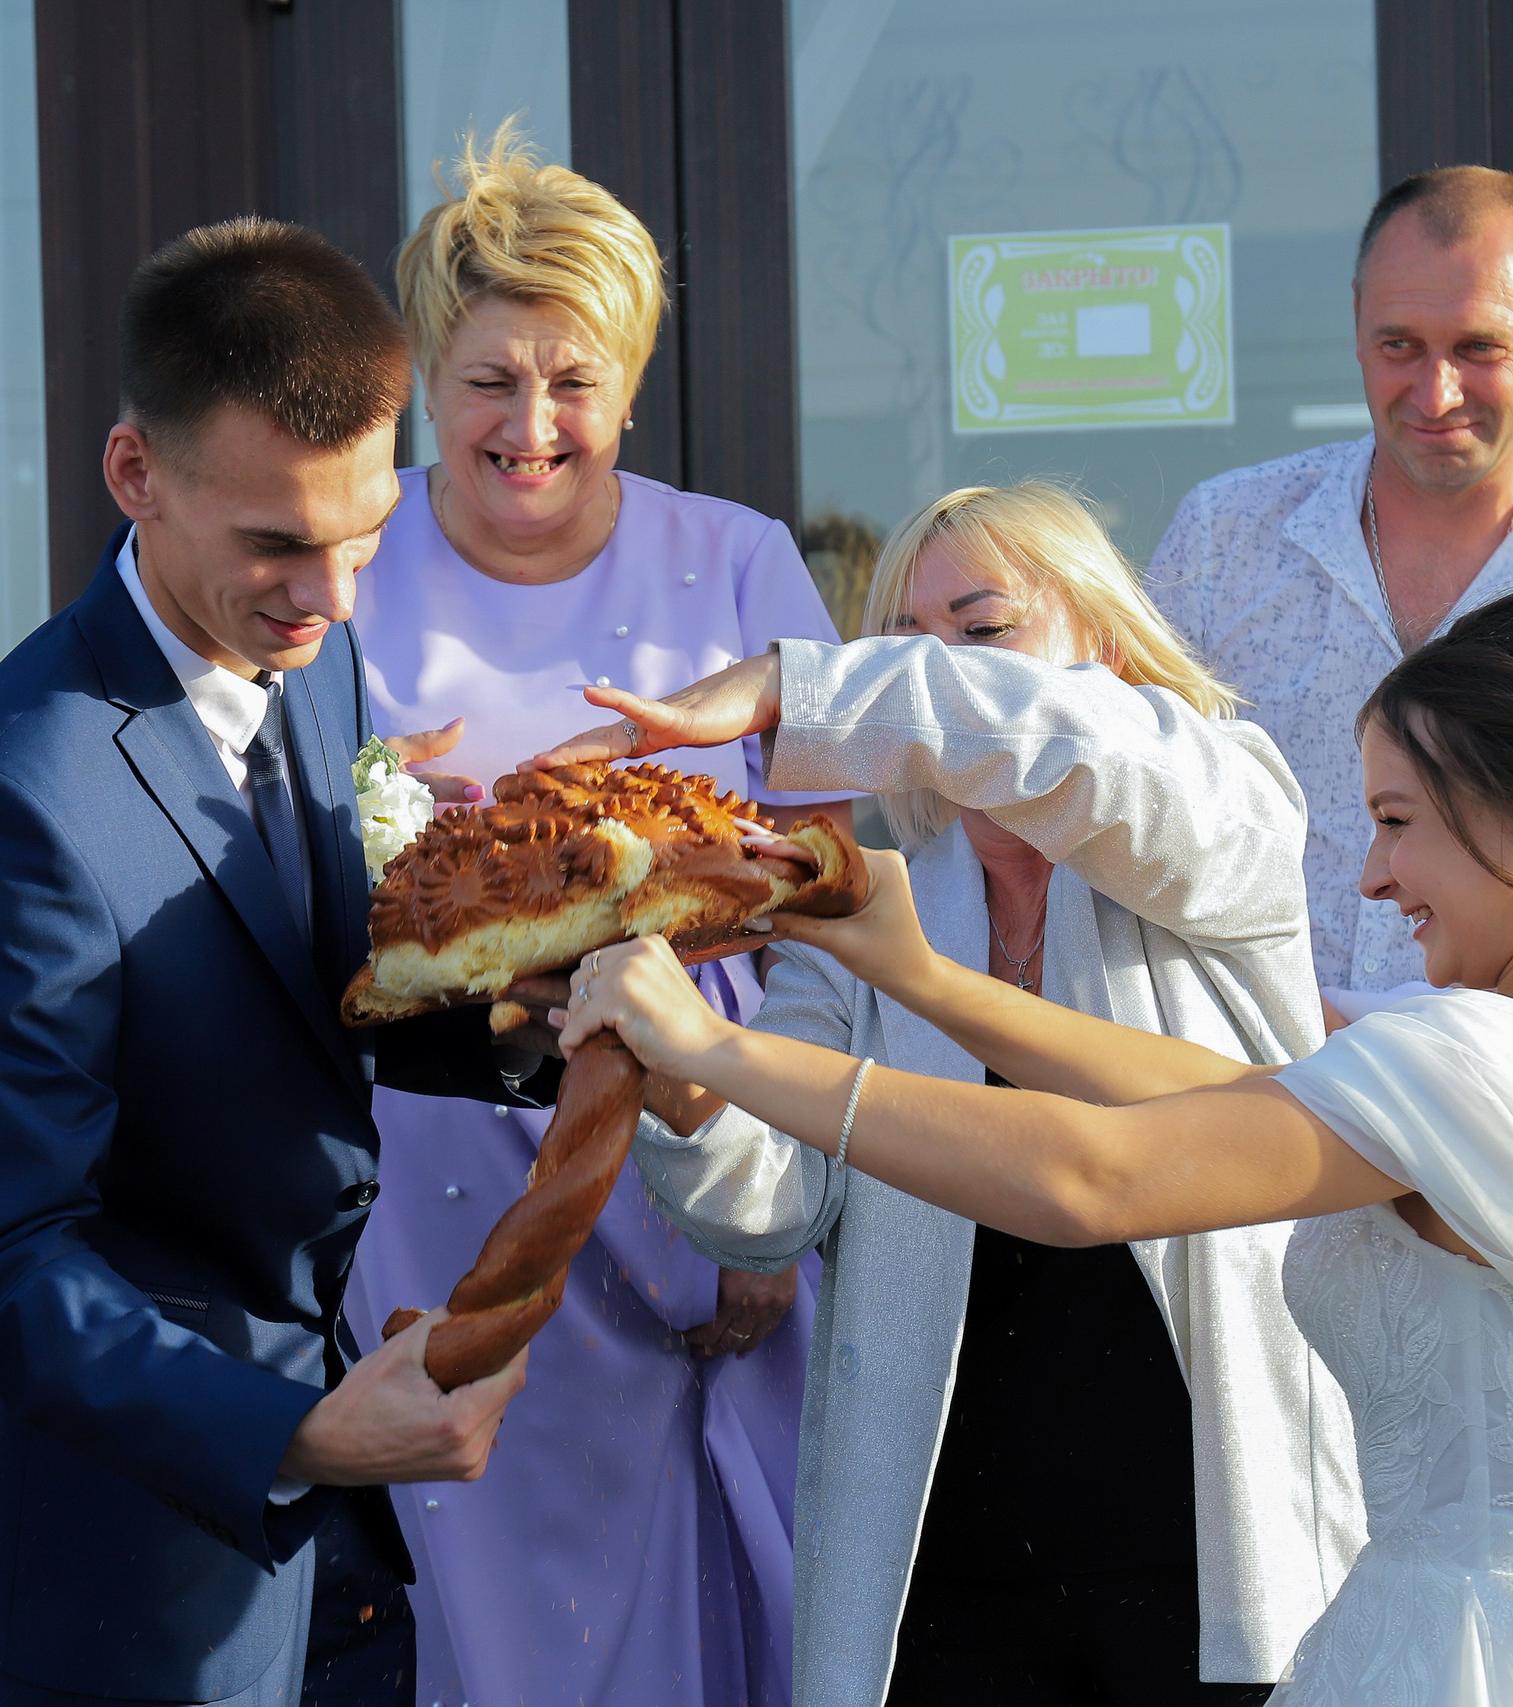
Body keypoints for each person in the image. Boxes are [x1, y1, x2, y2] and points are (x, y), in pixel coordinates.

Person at [553, 572, 1513, 1705]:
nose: (1372, 878)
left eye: (1399, 821)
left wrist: (718, 1049)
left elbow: (1089, 1172)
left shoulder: (1485, 1054)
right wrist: (938, 985)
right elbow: (1237, 1087)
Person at [530, 481, 1360, 1704]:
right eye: (904, 646)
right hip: (943, 1560)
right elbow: (762, 1212)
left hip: (1211, 1543)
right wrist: (681, 1085)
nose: (940, 681)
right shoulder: (863, 903)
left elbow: (1081, 750)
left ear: (1108, 649)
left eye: (982, 631)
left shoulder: (1223, 804)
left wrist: (787, 685)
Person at [0, 220, 545, 1707]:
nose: (328, 595)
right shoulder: (8, 793)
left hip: (332, 1533)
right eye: (277, 543)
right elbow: (8, 1268)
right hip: (129, 1559)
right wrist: (296, 1434)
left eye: (365, 537)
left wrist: (538, 999)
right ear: (138, 475)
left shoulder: (304, 659)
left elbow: (321, 982)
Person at [345, 129, 852, 1707]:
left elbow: (831, 892)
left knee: (732, 1601)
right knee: (479, 1617)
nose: (532, 425)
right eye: (491, 378)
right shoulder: (348, 563)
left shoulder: (743, 558)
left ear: (631, 383)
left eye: (576, 379)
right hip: (418, 1196)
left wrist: (787, 1193)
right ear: (432, 372)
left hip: (705, 1156)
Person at [1148, 166, 1513, 997]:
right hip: (1254, 1088)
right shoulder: (1223, 539)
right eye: (1399, 346)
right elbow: (1139, 819)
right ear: (1354, 322)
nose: (1435, 391)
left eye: (1479, 347)